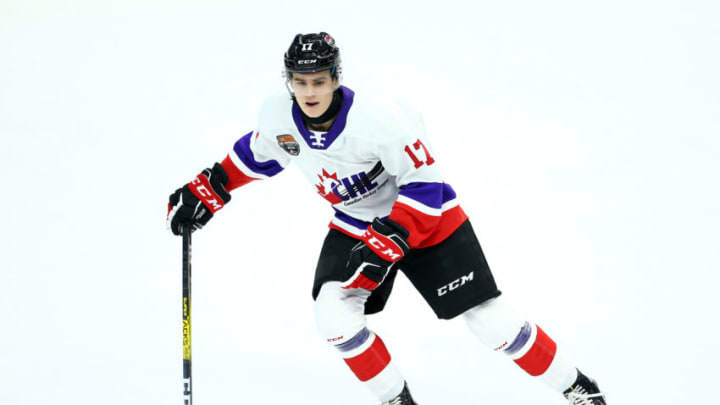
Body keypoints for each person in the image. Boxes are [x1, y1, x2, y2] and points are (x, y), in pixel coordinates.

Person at [166, 32, 607, 405]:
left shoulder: (380, 117)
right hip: (356, 222)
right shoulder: (279, 116)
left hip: (426, 218)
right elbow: (256, 155)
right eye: (300, 82)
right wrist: (210, 187)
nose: (310, 92)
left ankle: (579, 389)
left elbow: (426, 184)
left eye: (319, 81)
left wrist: (392, 238)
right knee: (333, 316)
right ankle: (397, 400)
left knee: (487, 319)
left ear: (336, 78)